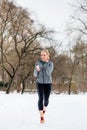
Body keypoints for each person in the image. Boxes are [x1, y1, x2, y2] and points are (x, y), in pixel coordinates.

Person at [34, 49, 54, 123]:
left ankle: (45, 107)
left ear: (48, 56)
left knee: (46, 100)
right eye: (41, 55)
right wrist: (37, 70)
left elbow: (48, 73)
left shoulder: (50, 64)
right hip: (39, 83)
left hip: (48, 83)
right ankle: (41, 116)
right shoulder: (37, 63)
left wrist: (45, 64)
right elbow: (35, 74)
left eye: (44, 55)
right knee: (40, 98)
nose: (42, 56)